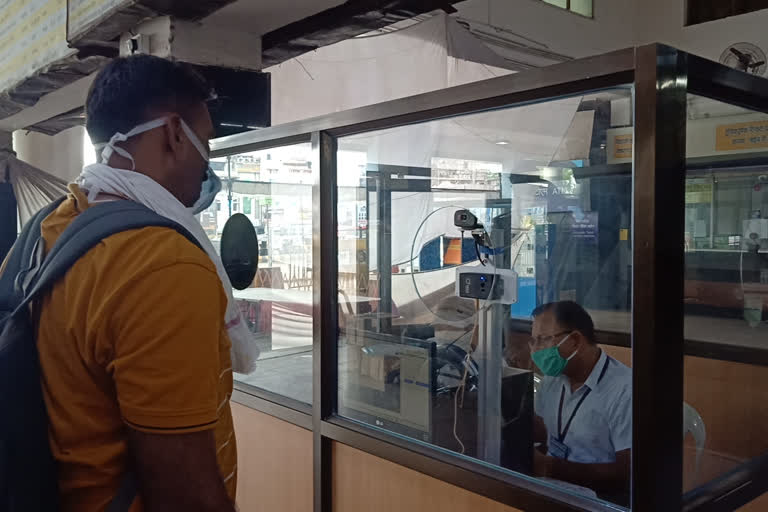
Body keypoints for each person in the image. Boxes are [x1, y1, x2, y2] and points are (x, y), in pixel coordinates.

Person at [30, 56, 244, 511]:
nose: (207, 165)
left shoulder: (49, 229)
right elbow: (183, 491)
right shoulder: (159, 265)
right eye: (204, 142)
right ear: (172, 134)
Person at [529, 301, 631, 501]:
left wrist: (550, 467)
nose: (536, 350)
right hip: (555, 488)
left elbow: (628, 472)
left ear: (575, 340)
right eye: (533, 341)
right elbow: (543, 430)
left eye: (543, 339)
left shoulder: (625, 389)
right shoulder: (553, 378)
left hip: (602, 499)